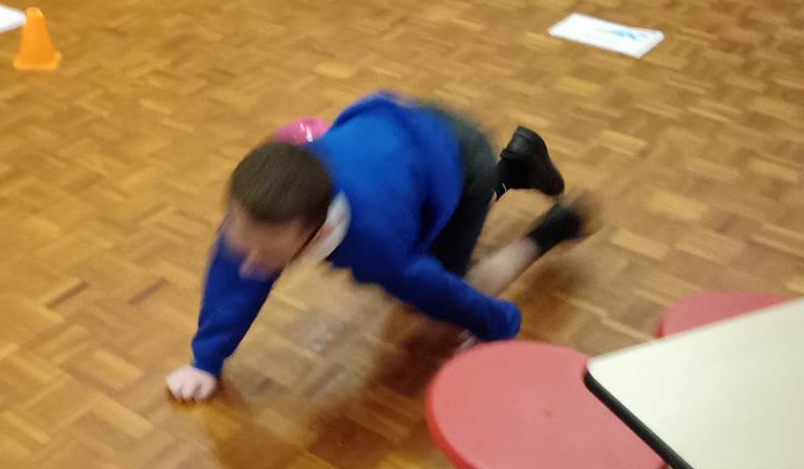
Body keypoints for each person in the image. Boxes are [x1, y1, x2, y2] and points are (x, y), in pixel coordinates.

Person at [166, 93, 590, 403]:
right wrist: (205, 362)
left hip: (460, 156)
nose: (249, 263)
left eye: (267, 255)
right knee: (418, 235)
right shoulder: (256, 215)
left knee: (444, 293)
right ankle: (517, 167)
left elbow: (443, 293)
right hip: (396, 140)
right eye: (241, 245)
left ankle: (552, 227)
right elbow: (232, 282)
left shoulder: (375, 248)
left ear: (315, 232)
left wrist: (495, 325)